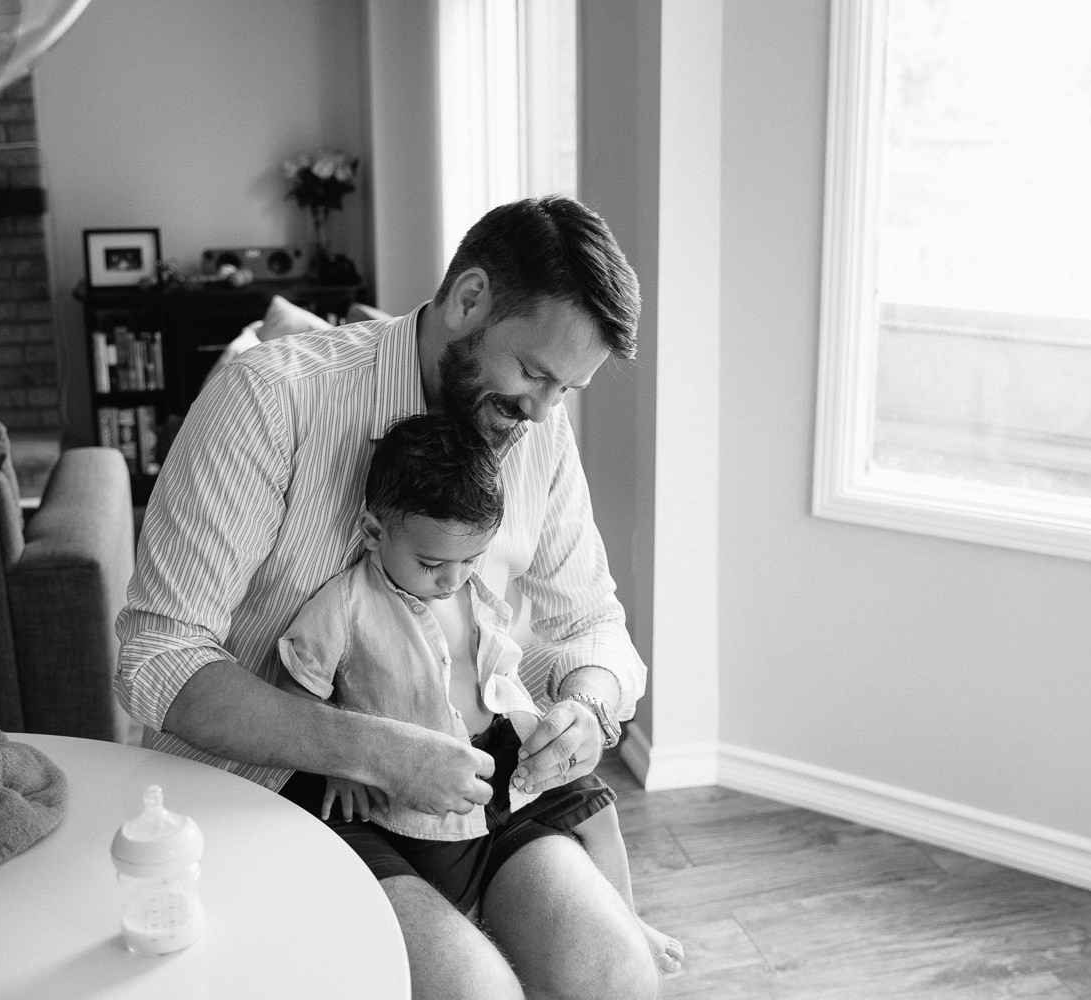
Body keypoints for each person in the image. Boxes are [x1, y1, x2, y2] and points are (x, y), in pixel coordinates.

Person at [115, 195, 661, 1000]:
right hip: (291, 782)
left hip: (480, 773)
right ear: (468, 299)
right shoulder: (272, 399)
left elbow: (590, 621)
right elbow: (157, 655)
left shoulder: (537, 430)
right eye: (536, 374)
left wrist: (588, 701)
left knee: (617, 979)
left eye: (566, 391)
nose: (543, 412)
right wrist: (372, 751)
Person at [276, 412, 681, 971]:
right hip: (424, 772)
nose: (452, 579)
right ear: (373, 533)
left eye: (469, 559)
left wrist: (559, 714)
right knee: (452, 892)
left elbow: (499, 665)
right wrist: (338, 760)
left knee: (598, 810)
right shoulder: (345, 606)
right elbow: (296, 692)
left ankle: (628, 916)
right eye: (432, 564)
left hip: (501, 745)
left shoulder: (473, 589)